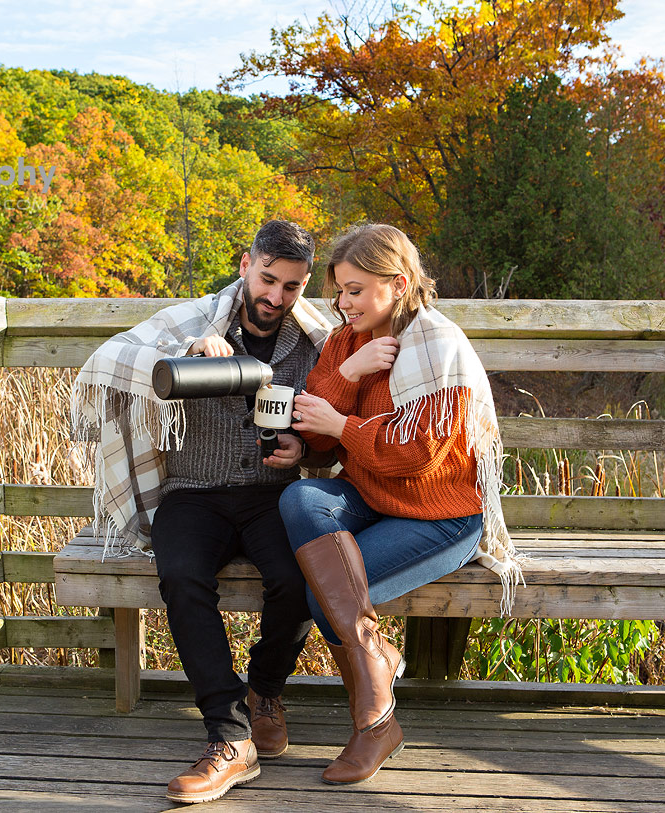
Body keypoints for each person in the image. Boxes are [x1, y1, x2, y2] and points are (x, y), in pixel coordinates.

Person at [70, 220, 332, 805]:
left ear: (305, 284)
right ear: (246, 265)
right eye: (267, 280)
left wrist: (305, 450)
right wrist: (186, 350)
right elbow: (113, 358)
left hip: (276, 494)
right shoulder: (194, 322)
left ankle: (265, 691)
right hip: (194, 492)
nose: (275, 297)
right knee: (183, 576)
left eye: (290, 287)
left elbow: (340, 415)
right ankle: (230, 734)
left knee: (297, 577)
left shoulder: (319, 338)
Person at [279, 223, 523, 785]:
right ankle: (378, 673)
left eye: (356, 290)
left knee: (326, 599)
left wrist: (342, 423)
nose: (343, 303)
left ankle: (374, 724)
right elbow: (315, 442)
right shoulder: (346, 341)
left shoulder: (438, 346)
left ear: (399, 282)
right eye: (338, 290)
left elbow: (420, 457)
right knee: (302, 496)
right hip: (369, 495)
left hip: (441, 516)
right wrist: (347, 374)